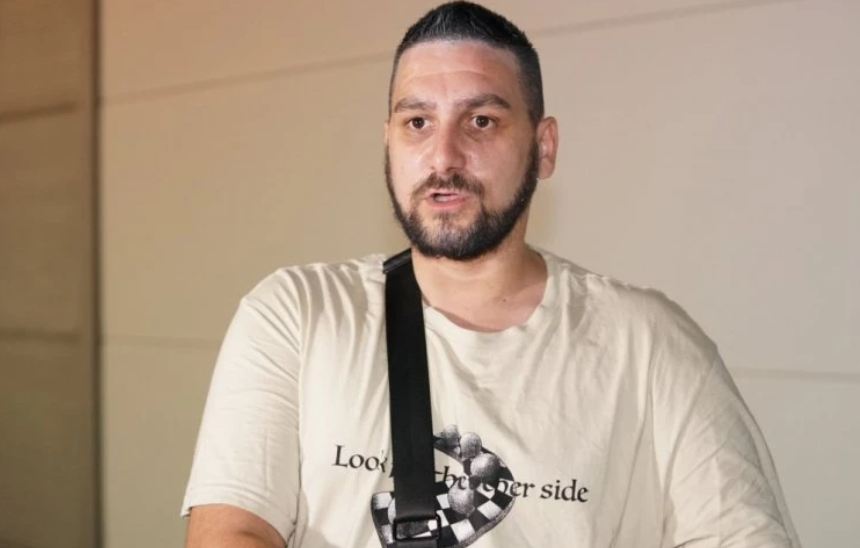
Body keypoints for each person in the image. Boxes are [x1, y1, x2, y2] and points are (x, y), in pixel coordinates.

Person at [182, 2, 801, 547]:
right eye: (417, 122)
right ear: (388, 142)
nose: (443, 156)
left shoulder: (650, 344)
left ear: (544, 146)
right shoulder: (297, 314)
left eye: (481, 121)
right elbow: (232, 532)